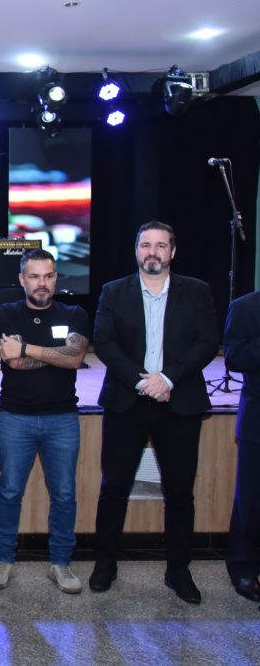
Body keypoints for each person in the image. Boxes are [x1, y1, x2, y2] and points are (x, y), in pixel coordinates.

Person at [91, 221, 219, 604]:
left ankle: (178, 571)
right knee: (114, 488)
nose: (153, 252)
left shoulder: (196, 291)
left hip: (178, 404)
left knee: (179, 493)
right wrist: (142, 381)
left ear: (172, 252)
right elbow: (105, 343)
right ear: (136, 251)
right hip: (127, 403)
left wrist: (167, 378)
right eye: (146, 245)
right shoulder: (114, 291)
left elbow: (207, 343)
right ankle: (105, 564)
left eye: (161, 246)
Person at [0, 248, 90, 593]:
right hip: (16, 417)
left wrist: (27, 348)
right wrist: (57, 354)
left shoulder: (74, 313)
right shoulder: (6, 313)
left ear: (56, 278)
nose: (41, 283)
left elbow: (75, 358)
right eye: (34, 276)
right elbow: (13, 362)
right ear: (22, 279)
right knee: (9, 491)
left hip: (63, 418)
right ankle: (3, 560)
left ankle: (61, 564)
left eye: (47, 276)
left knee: (64, 495)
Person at [223, 292, 260, 605]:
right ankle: (243, 568)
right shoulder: (246, 307)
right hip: (258, 421)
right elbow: (234, 358)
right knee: (250, 499)